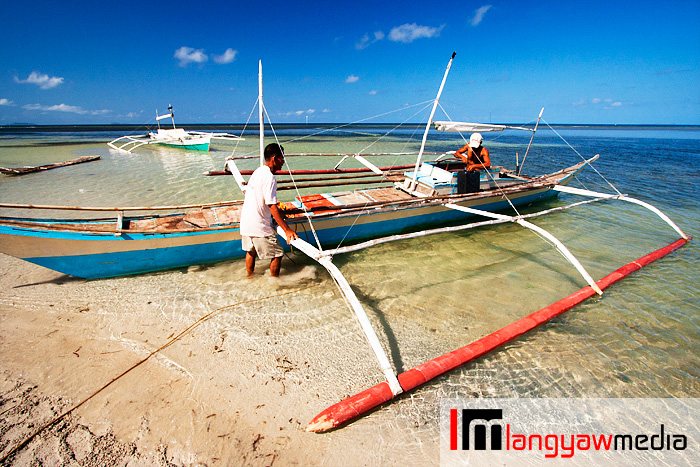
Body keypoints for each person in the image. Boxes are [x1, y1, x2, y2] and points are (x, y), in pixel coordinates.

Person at [239, 143, 298, 277]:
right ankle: (274, 282)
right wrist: (287, 230)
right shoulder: (270, 178)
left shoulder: (258, 171)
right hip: (259, 226)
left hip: (246, 222)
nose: (283, 162)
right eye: (282, 158)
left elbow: (262, 199)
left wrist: (280, 212)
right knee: (278, 254)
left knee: (251, 251)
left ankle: (249, 276)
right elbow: (272, 206)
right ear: (274, 158)